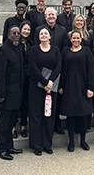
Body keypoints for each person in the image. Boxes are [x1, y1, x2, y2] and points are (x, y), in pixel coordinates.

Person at [59, 30, 94, 152]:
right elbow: (62, 70)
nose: (75, 40)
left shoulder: (86, 51)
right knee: (71, 115)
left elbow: (91, 70)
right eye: (73, 38)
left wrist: (91, 87)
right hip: (69, 87)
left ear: (81, 39)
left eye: (77, 38)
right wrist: (60, 86)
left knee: (83, 115)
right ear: (70, 40)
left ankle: (83, 140)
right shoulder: (65, 51)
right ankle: (71, 142)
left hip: (83, 86)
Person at [28, 26, 61, 155]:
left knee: (49, 116)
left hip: (51, 88)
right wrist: (45, 82)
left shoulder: (56, 50)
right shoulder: (34, 50)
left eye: (45, 33)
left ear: (50, 36)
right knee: (36, 116)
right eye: (41, 33)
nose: (43, 35)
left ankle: (47, 144)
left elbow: (58, 66)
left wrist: (51, 82)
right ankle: (37, 145)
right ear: (38, 36)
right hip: (36, 87)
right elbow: (34, 67)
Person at [34, 7, 68, 134]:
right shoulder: (39, 30)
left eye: (53, 15)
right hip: (42, 72)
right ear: (45, 17)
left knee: (56, 100)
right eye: (49, 15)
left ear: (56, 16)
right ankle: (43, 126)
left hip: (56, 70)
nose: (51, 17)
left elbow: (64, 49)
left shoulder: (62, 30)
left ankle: (56, 124)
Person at [0, 25, 24, 160]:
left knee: (12, 123)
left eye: (18, 33)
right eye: (14, 33)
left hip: (16, 94)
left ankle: (9, 146)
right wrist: (1, 95)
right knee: (4, 124)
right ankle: (2, 149)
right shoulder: (2, 51)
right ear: (8, 35)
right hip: (6, 95)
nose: (17, 35)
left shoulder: (18, 48)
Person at [18, 20, 33, 138]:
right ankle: (13, 127)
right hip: (17, 78)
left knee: (25, 102)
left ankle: (23, 125)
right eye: (24, 29)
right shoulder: (15, 43)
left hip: (28, 77)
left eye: (28, 30)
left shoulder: (31, 44)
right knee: (15, 102)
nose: (26, 31)